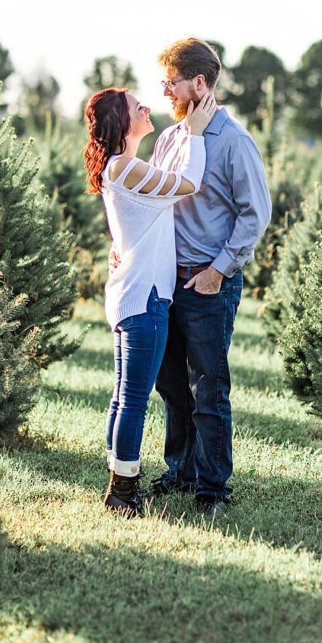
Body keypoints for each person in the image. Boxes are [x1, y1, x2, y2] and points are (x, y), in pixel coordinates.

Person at [142, 37, 272, 517]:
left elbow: (255, 214)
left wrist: (219, 271)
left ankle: (213, 488)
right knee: (171, 385)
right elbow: (153, 202)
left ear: (199, 83)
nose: (165, 92)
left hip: (208, 283)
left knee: (208, 389)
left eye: (171, 83)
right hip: (166, 281)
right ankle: (180, 470)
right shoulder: (170, 139)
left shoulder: (234, 141)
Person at [85, 87, 216, 517]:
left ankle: (117, 480)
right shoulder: (126, 167)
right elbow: (188, 184)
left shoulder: (122, 168)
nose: (145, 106)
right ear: (121, 122)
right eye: (134, 104)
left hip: (133, 294)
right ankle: (122, 493)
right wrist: (195, 134)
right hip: (145, 299)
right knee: (134, 400)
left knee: (123, 397)